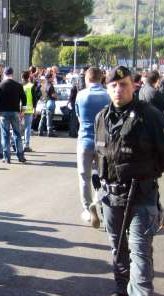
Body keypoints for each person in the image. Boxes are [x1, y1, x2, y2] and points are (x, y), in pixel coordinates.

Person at [94, 66, 164, 296]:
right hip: (111, 195)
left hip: (141, 194)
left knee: (139, 249)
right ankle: (121, 292)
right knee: (117, 247)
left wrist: (146, 175)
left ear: (134, 86)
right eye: (114, 86)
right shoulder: (102, 117)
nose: (119, 89)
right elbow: (99, 155)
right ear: (107, 89)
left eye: (124, 85)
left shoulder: (150, 116)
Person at [75, 67, 111, 229]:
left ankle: (88, 208)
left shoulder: (81, 95)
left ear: (87, 79)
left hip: (85, 140)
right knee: (104, 177)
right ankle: (101, 204)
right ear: (101, 78)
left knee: (84, 177)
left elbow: (78, 116)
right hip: (104, 142)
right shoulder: (108, 95)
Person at [0, 66, 27, 164]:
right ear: (12, 74)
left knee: (5, 135)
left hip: (3, 113)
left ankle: (7, 157)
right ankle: (20, 156)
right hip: (15, 112)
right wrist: (23, 112)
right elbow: (24, 100)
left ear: (4, 74)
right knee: (17, 134)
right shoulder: (18, 86)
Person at [21, 71, 38, 152]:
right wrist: (35, 110)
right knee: (27, 127)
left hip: (20, 110)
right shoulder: (31, 86)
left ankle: (16, 144)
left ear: (22, 77)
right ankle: (26, 145)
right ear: (28, 77)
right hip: (29, 109)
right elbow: (34, 99)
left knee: (19, 127)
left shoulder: (20, 86)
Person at [38, 73, 58, 137]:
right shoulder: (50, 85)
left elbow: (41, 94)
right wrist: (56, 97)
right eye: (52, 77)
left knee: (43, 117)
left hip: (44, 102)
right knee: (49, 118)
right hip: (50, 102)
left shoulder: (43, 85)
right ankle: (49, 132)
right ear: (49, 78)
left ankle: (40, 131)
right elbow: (53, 95)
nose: (53, 78)